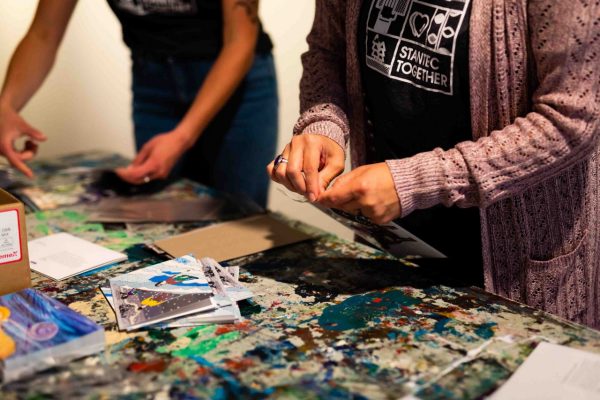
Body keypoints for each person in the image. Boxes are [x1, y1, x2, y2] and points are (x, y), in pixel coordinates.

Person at [268, 0, 600, 328]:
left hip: (518, 263)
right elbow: (327, 51)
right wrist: (322, 126)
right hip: (396, 243)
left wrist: (416, 181)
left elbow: (571, 118)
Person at [0, 0, 277, 207]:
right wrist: (6, 106)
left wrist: (182, 136)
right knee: (161, 207)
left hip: (236, 85)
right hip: (153, 79)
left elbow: (240, 40)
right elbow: (44, 33)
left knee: (239, 214)